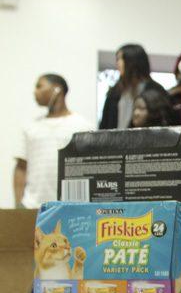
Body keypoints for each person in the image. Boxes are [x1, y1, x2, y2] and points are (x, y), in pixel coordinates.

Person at [14, 74, 92, 208]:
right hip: (33, 206)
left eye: (39, 86)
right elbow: (21, 167)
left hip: (70, 207)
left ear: (57, 89)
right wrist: (18, 204)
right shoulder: (30, 127)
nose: (35, 91)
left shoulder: (83, 126)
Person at [99, 43, 168, 130]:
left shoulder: (156, 91)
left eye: (121, 58)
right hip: (114, 142)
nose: (118, 63)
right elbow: (104, 125)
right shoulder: (115, 92)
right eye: (117, 59)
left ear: (133, 61)